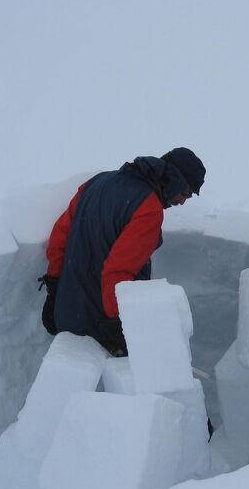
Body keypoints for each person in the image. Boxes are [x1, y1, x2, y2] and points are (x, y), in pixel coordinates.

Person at [40, 147, 205, 356]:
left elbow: (59, 239)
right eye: (186, 193)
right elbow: (118, 272)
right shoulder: (149, 209)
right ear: (176, 180)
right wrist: (117, 327)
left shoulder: (97, 182)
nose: (182, 201)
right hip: (101, 328)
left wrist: (54, 290)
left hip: (68, 312)